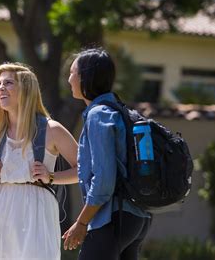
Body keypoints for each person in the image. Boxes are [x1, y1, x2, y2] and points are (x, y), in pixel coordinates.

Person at [0, 62, 78, 259]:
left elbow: (85, 170)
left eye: (8, 83)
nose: (0, 87)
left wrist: (51, 176)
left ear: (26, 89)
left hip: (36, 213)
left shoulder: (52, 130)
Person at [62, 48, 152, 260]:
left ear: (86, 77)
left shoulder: (98, 115)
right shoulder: (119, 110)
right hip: (137, 217)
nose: (68, 79)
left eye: (72, 73)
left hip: (112, 218)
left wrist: (82, 222)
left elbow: (103, 181)